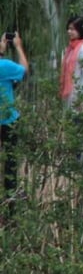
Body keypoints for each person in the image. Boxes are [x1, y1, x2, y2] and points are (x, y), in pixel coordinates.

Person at [0, 31, 28, 199]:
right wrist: (18, 46)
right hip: (8, 120)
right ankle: (11, 199)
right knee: (10, 162)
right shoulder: (5, 66)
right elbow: (24, 70)